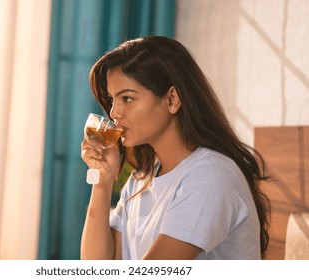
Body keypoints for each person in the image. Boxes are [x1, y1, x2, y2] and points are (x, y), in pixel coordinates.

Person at [80, 36, 271, 260]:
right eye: (113, 100)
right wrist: (103, 181)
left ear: (172, 99)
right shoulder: (140, 181)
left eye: (128, 98)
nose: (114, 113)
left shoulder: (212, 175)